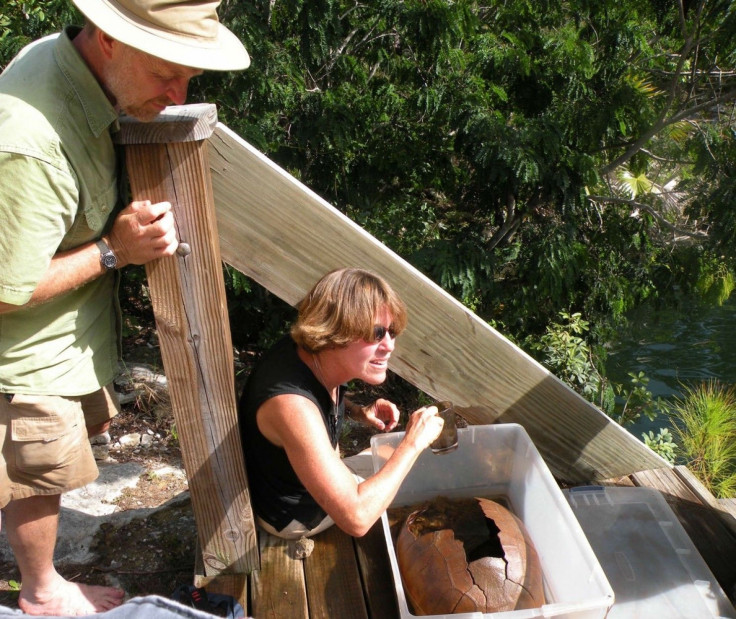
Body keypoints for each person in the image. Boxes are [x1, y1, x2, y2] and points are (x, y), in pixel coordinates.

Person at [0, 1, 249, 615]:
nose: (178, 92)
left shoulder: (72, 68)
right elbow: (4, 291)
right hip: (28, 354)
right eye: (167, 71)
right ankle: (40, 592)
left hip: (68, 334)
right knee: (36, 474)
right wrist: (115, 250)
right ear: (109, 39)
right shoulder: (28, 143)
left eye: (189, 76)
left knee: (46, 464)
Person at [238, 268, 445, 540]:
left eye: (392, 332)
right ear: (335, 330)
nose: (389, 345)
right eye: (376, 332)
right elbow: (357, 519)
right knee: (413, 476)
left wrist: (358, 411)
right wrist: (412, 443)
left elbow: (316, 398)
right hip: (296, 516)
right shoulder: (291, 405)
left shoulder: (311, 355)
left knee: (399, 467)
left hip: (303, 482)